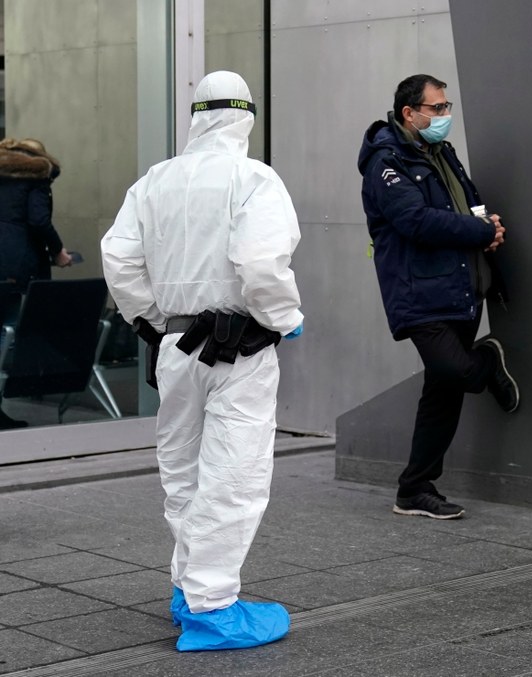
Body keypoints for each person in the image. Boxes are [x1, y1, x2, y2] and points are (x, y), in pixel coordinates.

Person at [101, 71, 302, 651]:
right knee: (234, 473)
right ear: (246, 117)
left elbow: (120, 260)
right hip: (241, 349)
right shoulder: (253, 178)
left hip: (177, 346)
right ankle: (213, 607)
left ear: (195, 115)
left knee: (184, 471)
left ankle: (189, 586)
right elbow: (261, 263)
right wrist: (286, 317)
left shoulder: (154, 181)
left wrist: (154, 321)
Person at [358, 74, 520, 520]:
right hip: (419, 292)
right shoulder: (386, 162)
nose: (444, 116)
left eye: (447, 107)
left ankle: (415, 488)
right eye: (437, 108)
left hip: (459, 285)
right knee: (458, 370)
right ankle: (488, 359)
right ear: (409, 113)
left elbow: (465, 203)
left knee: (442, 391)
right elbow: (416, 220)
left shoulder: (439, 152)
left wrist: (489, 227)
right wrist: (478, 230)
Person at [0, 137, 73, 429]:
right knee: (7, 333)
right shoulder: (36, 177)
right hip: (13, 266)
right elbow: (39, 220)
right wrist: (58, 251)